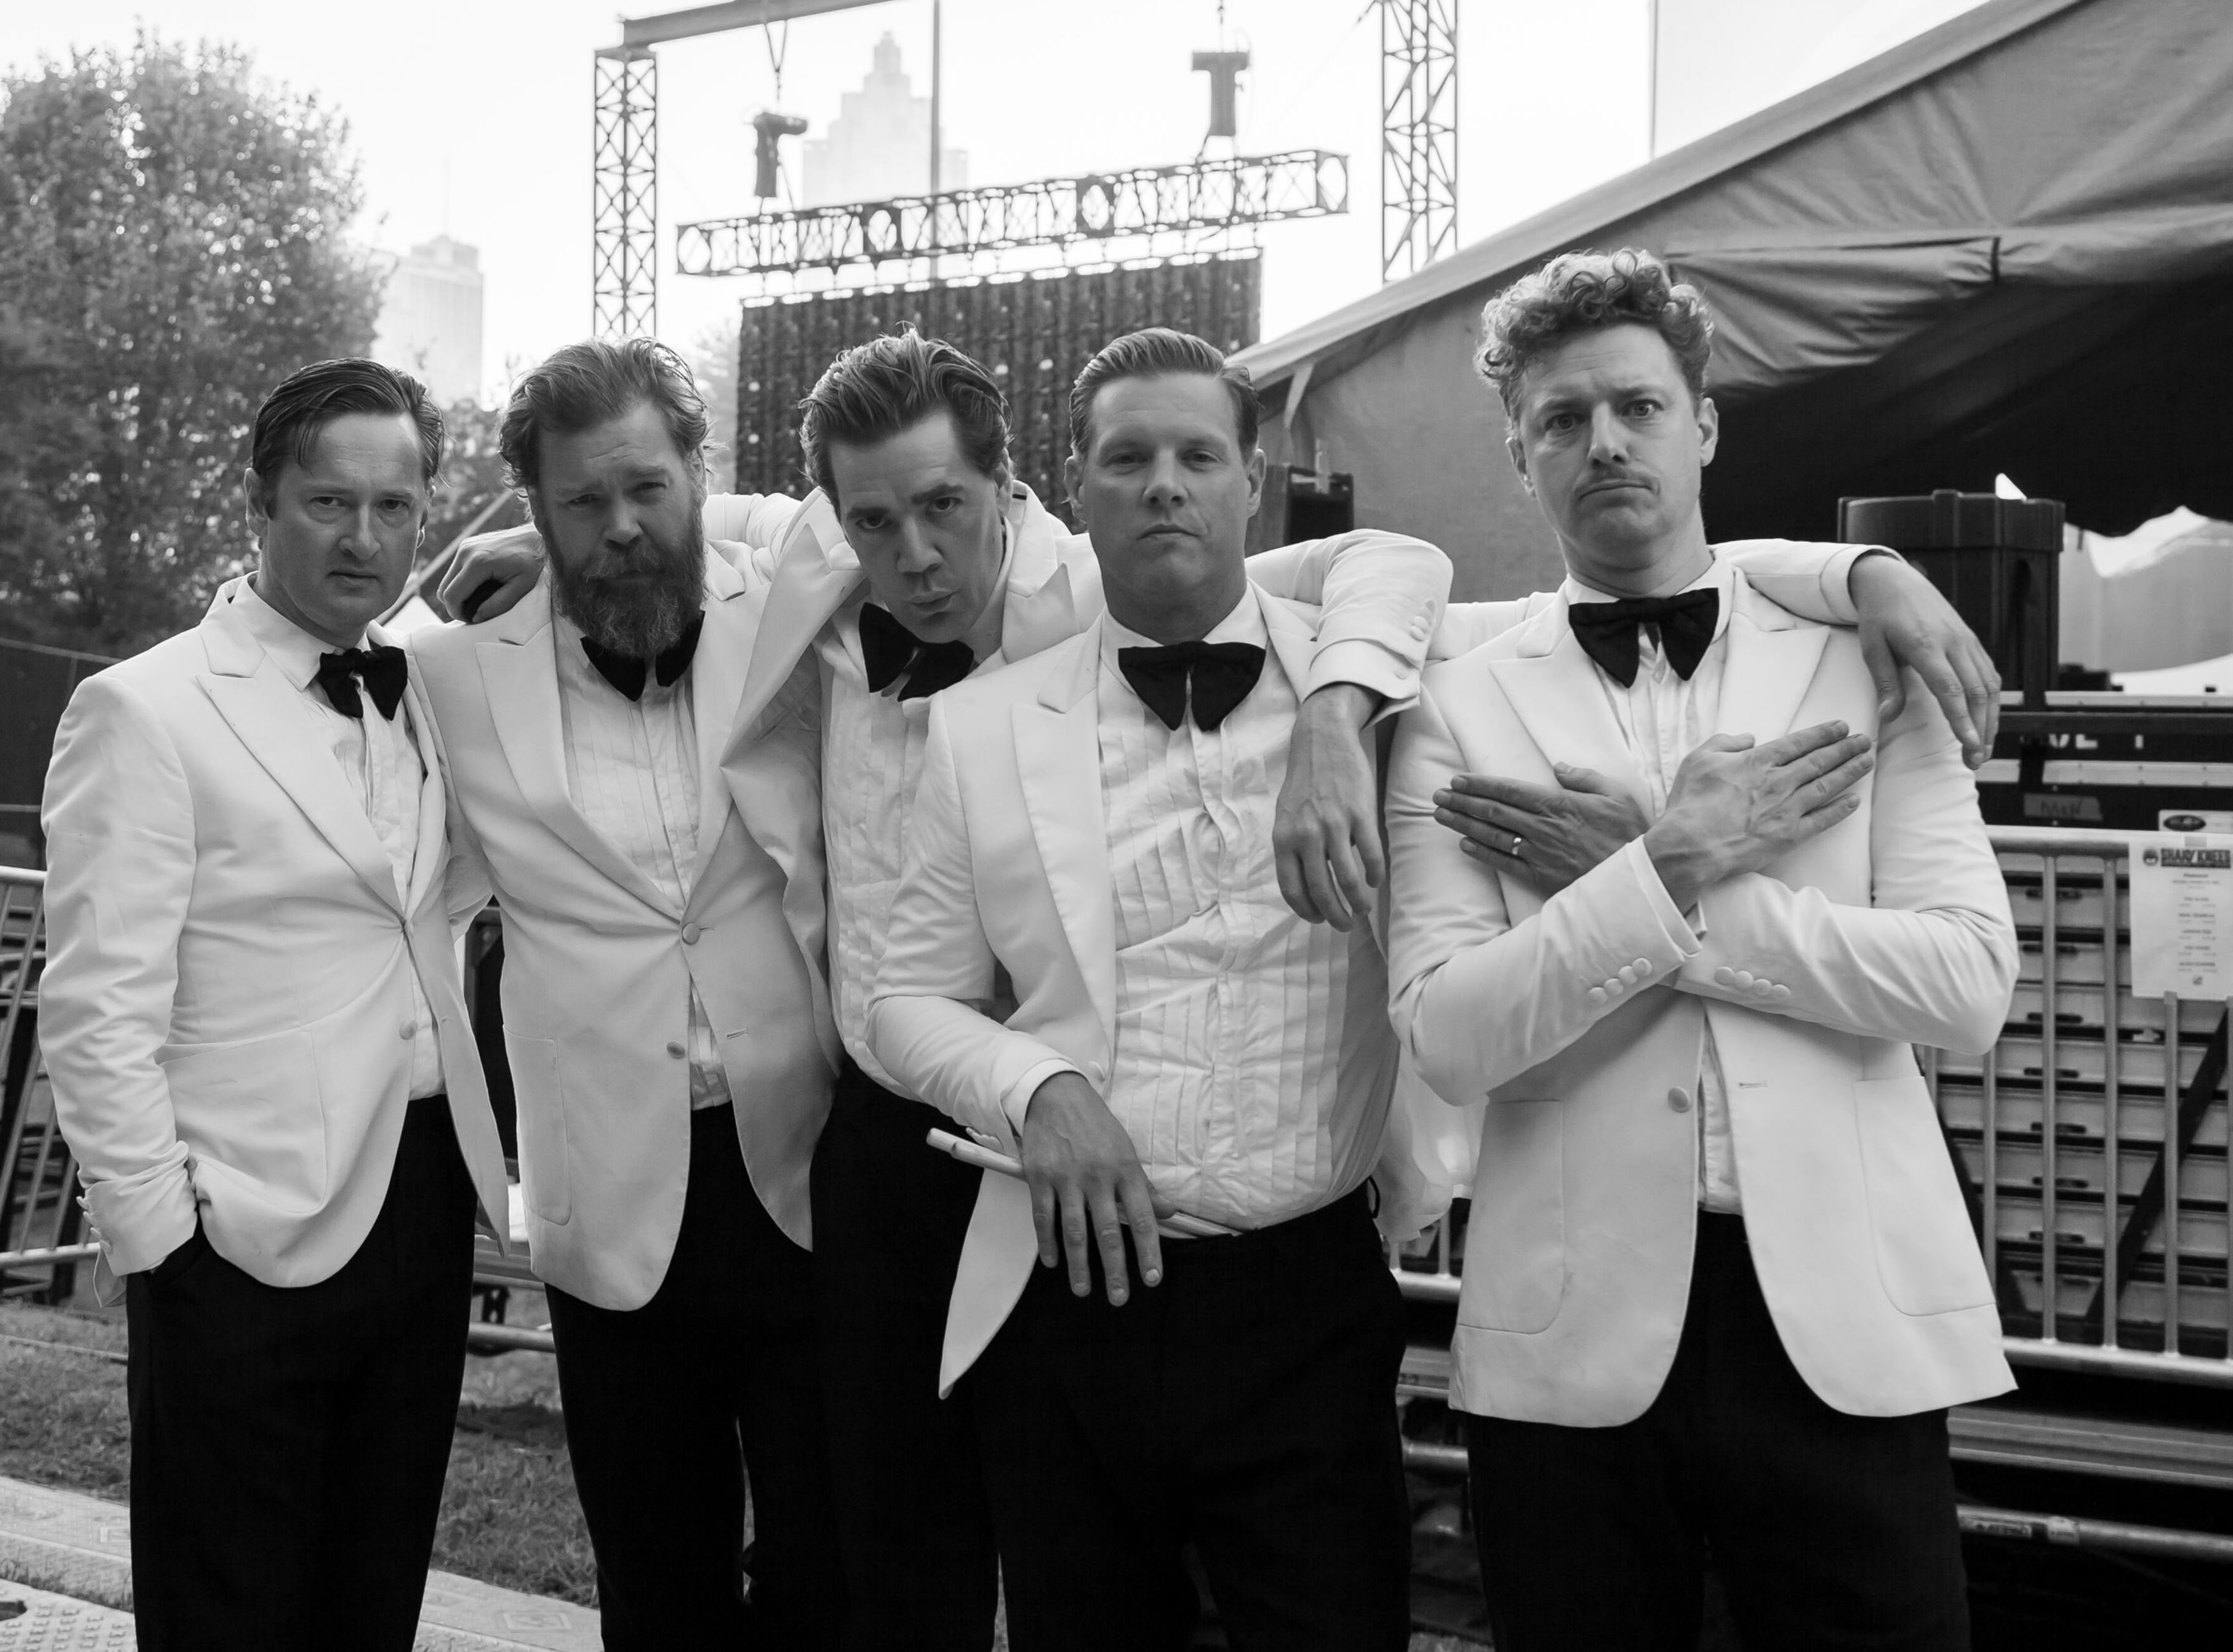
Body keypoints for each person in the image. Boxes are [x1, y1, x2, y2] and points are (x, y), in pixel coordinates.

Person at [446, 325, 2000, 1651]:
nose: (912, 551)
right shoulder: (920, 671)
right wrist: (1038, 1090)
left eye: (1197, 458)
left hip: (1305, 1287)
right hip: (1010, 1237)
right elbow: (886, 970)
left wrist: (1861, 568)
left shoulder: (1380, 664)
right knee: (891, 1578)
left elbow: (1519, 564)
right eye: (876, 521)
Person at [1384, 250, 2018, 1651]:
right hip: (1572, 1344)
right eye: (1561, 420)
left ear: (1705, 423)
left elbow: (1967, 983)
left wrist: (1655, 893)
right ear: (1518, 456)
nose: (1603, 442)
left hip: (1842, 1323)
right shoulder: (1451, 702)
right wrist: (1668, 859)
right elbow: (1447, 1031)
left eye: (1637, 406)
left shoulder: (1861, 655)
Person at [38, 358, 512, 1652]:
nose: (365, 537)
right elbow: (93, 1009)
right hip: (233, 1230)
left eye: (396, 506)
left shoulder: (425, 686)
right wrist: (164, 1242)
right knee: (229, 1613)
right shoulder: (143, 707)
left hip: (419, 1207)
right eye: (328, 501)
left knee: (371, 1600)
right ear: (257, 504)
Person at [405, 338, 842, 1649]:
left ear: (704, 473)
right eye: (581, 504)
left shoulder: (799, 608)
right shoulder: (452, 679)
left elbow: (928, 498)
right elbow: (286, 643)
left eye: (649, 486)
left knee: (838, 1571)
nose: (624, 527)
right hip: (610, 1201)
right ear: (531, 511)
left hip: (813, 1169)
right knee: (658, 1588)